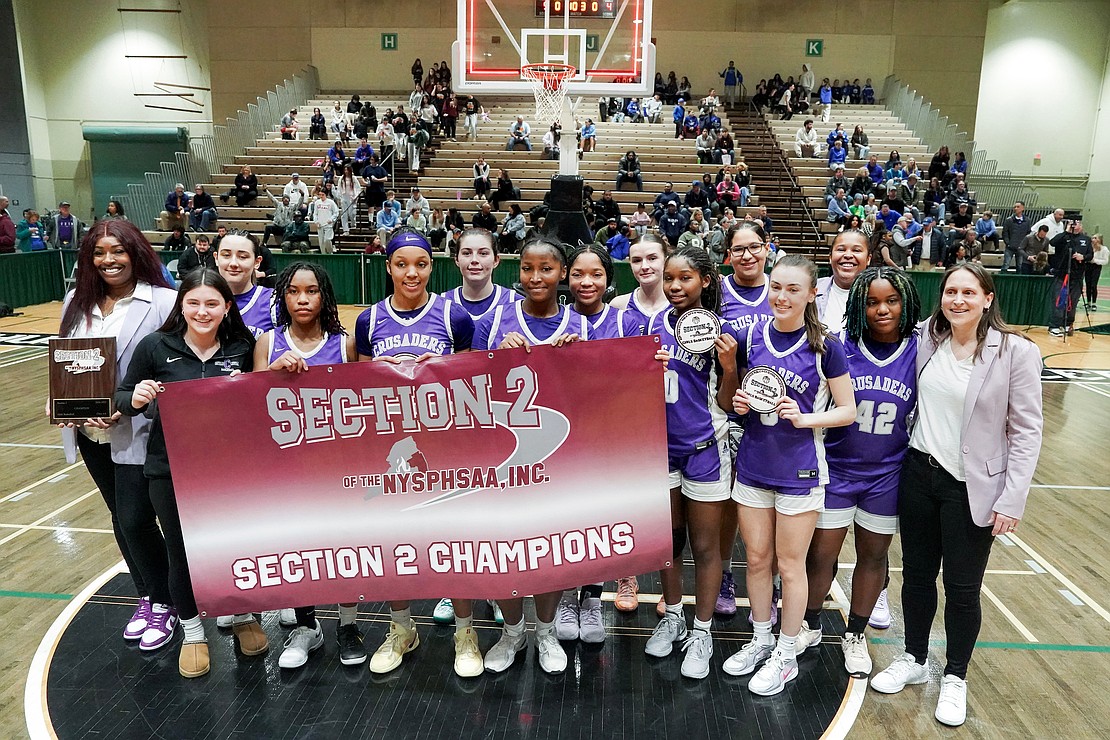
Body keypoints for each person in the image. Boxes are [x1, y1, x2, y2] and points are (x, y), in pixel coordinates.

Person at [871, 264, 1042, 727]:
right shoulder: (928, 336)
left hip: (974, 486)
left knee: (963, 589)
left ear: (988, 298)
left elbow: (1027, 431)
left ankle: (956, 676)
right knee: (918, 578)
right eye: (950, 291)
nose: (958, 300)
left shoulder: (1016, 352)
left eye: (969, 292)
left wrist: (1012, 499)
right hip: (919, 474)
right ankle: (914, 657)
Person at [722, 255, 856, 695]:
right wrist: (740, 404)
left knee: (789, 565)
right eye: (776, 286)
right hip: (754, 466)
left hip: (801, 470)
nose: (781, 296)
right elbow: (742, 393)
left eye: (793, 289)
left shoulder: (826, 346)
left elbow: (847, 411)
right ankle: (761, 639)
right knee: (756, 560)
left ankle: (786, 653)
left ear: (812, 293)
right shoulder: (751, 335)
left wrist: (806, 418)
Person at [115, 268, 257, 678]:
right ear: (181, 305)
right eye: (193, 302)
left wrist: (248, 385)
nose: (202, 310)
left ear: (227, 307)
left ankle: (243, 615)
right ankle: (194, 633)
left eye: (212, 303)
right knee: (181, 555)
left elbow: (264, 397)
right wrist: (136, 397)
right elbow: (123, 396)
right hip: (168, 470)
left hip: (228, 473)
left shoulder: (242, 347)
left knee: (232, 548)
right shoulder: (156, 346)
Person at [353, 229, 478, 676]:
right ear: (387, 266)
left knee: (454, 542)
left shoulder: (454, 317)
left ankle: (466, 631)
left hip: (443, 449)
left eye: (421, 264)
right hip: (390, 450)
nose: (411, 273)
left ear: (432, 267)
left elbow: (470, 387)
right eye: (402, 264)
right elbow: (356, 389)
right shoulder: (368, 321)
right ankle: (401, 626)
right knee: (394, 541)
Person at [57, 220, 177, 650]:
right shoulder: (75, 301)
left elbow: (175, 367)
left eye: (118, 250)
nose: (109, 260)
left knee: (135, 517)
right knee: (118, 517)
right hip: (90, 433)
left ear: (136, 252)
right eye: (99, 252)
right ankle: (147, 596)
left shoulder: (164, 302)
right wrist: (62, 402)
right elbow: (67, 361)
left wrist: (126, 403)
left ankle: (166, 602)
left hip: (141, 432)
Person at [476, 237, 587, 676]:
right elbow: (469, 384)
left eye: (545, 269)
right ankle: (512, 630)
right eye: (527, 268)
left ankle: (544, 631)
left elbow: (601, 389)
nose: (535, 277)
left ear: (562, 274)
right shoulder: (498, 319)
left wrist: (582, 359)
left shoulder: (580, 324)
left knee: (551, 551)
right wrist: (492, 357)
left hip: (560, 457)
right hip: (504, 458)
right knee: (504, 547)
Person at [803, 266, 922, 675]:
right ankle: (811, 623)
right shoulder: (839, 347)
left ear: (906, 303)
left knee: (874, 556)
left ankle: (855, 633)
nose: (882, 309)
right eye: (872, 301)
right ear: (858, 305)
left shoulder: (921, 348)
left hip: (887, 473)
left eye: (891, 300)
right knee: (821, 555)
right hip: (835, 469)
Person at [253, 262, 359, 668]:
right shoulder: (267, 343)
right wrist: (270, 377)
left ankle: (348, 623)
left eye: (311, 291)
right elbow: (251, 409)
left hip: (335, 468)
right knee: (298, 550)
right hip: (286, 471)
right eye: (294, 291)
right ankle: (307, 626)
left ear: (323, 296)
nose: (302, 299)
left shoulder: (343, 344)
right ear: (282, 296)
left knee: (346, 548)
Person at [638, 246, 733, 679]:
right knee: (668, 542)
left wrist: (730, 366)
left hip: (706, 450)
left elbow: (731, 403)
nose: (676, 286)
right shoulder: (651, 324)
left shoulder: (723, 333)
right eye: (670, 278)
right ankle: (673, 614)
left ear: (706, 281)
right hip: (659, 450)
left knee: (706, 546)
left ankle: (702, 630)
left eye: (686, 278)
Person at [447, 227, 519, 322]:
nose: (474, 260)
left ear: (496, 260)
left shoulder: (516, 303)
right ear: (456, 260)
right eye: (467, 253)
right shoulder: (442, 304)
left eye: (483, 253)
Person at [1048, 218, 1094, 336]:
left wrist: (1082, 257)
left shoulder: (1086, 239)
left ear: (1081, 226)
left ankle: (1068, 324)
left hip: (1077, 275)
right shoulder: (1064, 237)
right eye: (1071, 223)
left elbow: (1090, 255)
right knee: (1059, 299)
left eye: (1077, 222)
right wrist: (1067, 232)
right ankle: (1054, 325)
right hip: (1062, 274)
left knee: (1073, 300)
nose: (1074, 225)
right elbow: (1052, 242)